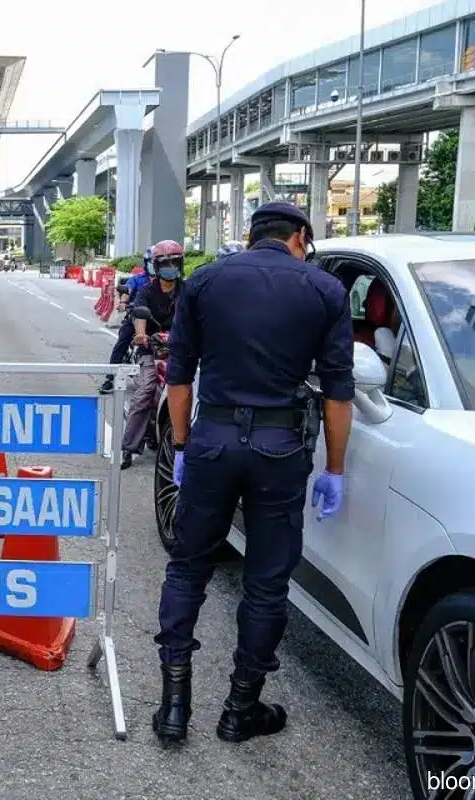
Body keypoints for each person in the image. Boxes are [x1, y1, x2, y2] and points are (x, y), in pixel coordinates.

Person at [153, 201, 353, 746]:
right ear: (301, 237)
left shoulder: (205, 282)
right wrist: (334, 468)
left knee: (188, 568)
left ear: (250, 235)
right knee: (266, 582)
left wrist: (182, 443)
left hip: (213, 440)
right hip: (280, 448)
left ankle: (174, 706)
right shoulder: (325, 291)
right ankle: (240, 709)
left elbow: (179, 374)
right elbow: (338, 392)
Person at [119, 240, 183, 469]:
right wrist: (140, 334)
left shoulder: (187, 291)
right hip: (152, 351)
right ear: (156, 266)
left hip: (182, 351)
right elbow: (140, 316)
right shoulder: (147, 291)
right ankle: (128, 448)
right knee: (144, 391)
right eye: (165, 263)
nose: (170, 267)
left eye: (174, 262)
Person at [99, 246, 156, 394]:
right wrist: (123, 303)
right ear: (147, 263)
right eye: (153, 262)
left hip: (159, 320)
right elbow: (127, 291)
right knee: (122, 342)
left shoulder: (171, 283)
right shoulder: (138, 280)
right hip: (135, 316)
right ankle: (110, 379)